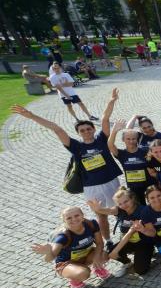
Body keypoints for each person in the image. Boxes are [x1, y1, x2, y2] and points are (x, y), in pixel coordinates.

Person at [12, 91, 121, 242]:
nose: (86, 131)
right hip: (92, 187)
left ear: (93, 130)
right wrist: (32, 116)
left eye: (89, 129)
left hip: (111, 182)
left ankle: (126, 231)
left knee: (121, 209)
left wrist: (111, 100)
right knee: (101, 216)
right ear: (78, 133)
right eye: (82, 130)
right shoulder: (75, 146)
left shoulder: (102, 140)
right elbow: (56, 128)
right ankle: (108, 241)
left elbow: (105, 118)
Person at [31, 207, 110, 288]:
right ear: (64, 221)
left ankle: (97, 267)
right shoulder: (63, 236)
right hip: (66, 263)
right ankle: (74, 278)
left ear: (83, 215)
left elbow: (100, 243)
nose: (74, 219)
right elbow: (49, 259)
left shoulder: (91, 224)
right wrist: (48, 252)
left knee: (104, 255)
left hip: (85, 255)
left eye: (77, 215)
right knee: (84, 273)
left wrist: (97, 258)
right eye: (69, 218)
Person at [87, 187, 153, 276]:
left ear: (132, 199)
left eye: (126, 201)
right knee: (110, 251)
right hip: (129, 242)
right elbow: (109, 211)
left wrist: (115, 251)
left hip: (143, 242)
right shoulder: (119, 210)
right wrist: (98, 209)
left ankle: (149, 252)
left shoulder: (142, 211)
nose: (124, 205)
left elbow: (131, 233)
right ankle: (127, 262)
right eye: (120, 204)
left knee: (140, 270)